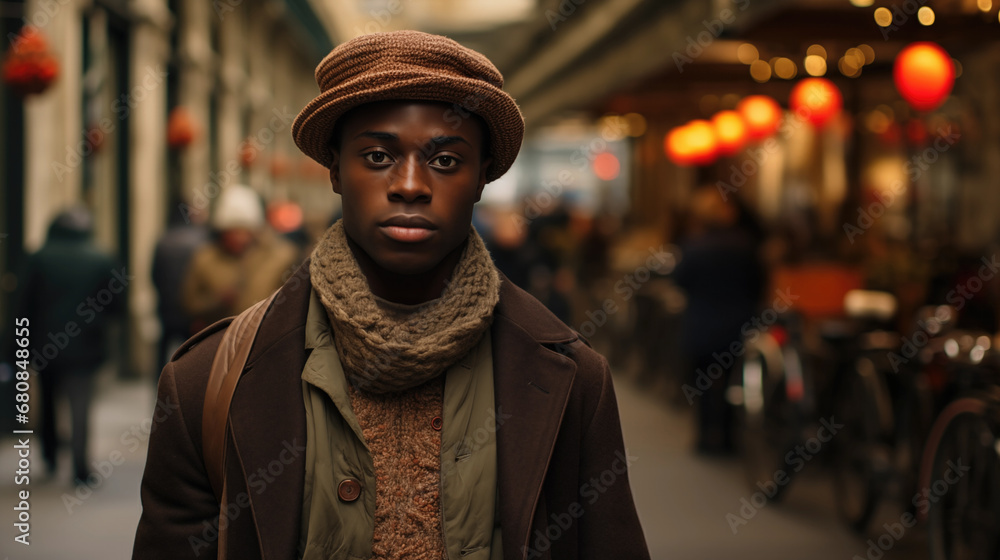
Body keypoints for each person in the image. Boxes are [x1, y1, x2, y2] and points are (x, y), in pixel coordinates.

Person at [133, 31, 649, 560]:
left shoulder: (572, 381)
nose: (409, 184)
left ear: (481, 178)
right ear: (334, 170)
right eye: (378, 156)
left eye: (446, 161)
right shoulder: (207, 383)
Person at [21, 207, 124, 484]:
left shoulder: (39, 258)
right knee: (80, 405)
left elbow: (24, 304)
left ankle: (50, 454)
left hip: (45, 344)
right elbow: (116, 303)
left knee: (48, 401)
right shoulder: (101, 258)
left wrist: (19, 345)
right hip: (85, 345)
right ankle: (80, 466)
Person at [674, 186, 766, 455]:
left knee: (702, 382)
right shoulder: (746, 246)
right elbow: (758, 284)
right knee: (731, 381)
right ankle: (728, 437)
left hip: (701, 322)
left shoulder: (694, 245)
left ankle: (705, 435)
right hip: (737, 323)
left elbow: (681, 280)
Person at [181, 184, 300, 331]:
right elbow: (189, 304)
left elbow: (294, 302)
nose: (238, 238)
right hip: (221, 339)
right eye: (232, 231)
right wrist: (217, 302)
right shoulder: (205, 259)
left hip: (265, 338)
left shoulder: (280, 257)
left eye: (243, 231)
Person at [151, 203, 209, 372]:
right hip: (193, 311)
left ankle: (161, 386)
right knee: (193, 353)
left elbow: (155, 275)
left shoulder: (164, 240)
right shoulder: (202, 240)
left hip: (168, 308)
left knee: (163, 350)